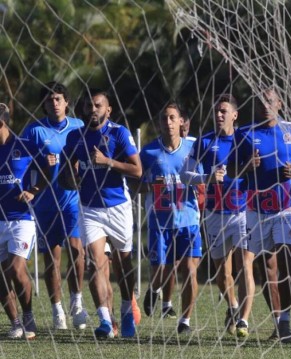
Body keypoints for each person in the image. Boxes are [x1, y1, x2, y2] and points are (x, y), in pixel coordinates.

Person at [228, 87, 291, 343]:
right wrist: (246, 166)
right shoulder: (244, 133)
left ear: (280, 103)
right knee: (267, 267)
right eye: (262, 100)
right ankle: (278, 324)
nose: (266, 105)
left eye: (270, 100)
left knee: (285, 261)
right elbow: (231, 168)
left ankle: (285, 321)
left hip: (287, 206)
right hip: (256, 207)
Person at [60, 88, 142, 338]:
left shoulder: (119, 133)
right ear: (82, 110)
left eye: (98, 105)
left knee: (123, 263)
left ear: (108, 110)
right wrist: (70, 175)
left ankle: (128, 310)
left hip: (118, 207)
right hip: (89, 209)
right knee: (95, 263)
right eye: (88, 106)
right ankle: (105, 321)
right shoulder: (75, 137)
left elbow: (137, 170)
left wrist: (108, 162)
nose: (93, 110)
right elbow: (66, 177)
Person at [181, 94, 253, 337]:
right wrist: (206, 179)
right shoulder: (203, 142)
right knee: (223, 274)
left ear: (235, 115)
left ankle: (244, 320)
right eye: (217, 111)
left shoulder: (245, 140)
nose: (219, 115)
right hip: (214, 214)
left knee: (245, 265)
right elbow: (184, 175)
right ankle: (233, 307)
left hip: (243, 212)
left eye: (224, 111)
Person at [21, 81, 88, 330]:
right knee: (52, 260)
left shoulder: (79, 127)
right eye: (50, 99)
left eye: (58, 98)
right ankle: (57, 310)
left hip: (72, 200)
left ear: (67, 102)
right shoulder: (34, 131)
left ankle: (77, 303)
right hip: (45, 204)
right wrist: (41, 162)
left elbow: (88, 158)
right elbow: (23, 165)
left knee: (76, 250)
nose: (55, 103)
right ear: (44, 104)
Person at [138, 102, 203, 335]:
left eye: (173, 118)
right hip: (159, 222)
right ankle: (154, 289)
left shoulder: (194, 148)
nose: (168, 123)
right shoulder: (148, 152)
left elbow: (203, 178)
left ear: (181, 122)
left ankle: (185, 320)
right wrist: (152, 185)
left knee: (189, 269)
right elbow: (135, 185)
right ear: (159, 123)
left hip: (189, 220)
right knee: (160, 271)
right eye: (164, 118)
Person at [0, 103, 47, 339]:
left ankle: (28, 315)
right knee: (1, 274)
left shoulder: (24, 145)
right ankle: (16, 323)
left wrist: (34, 190)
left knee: (16, 269)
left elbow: (50, 168)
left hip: (21, 219)